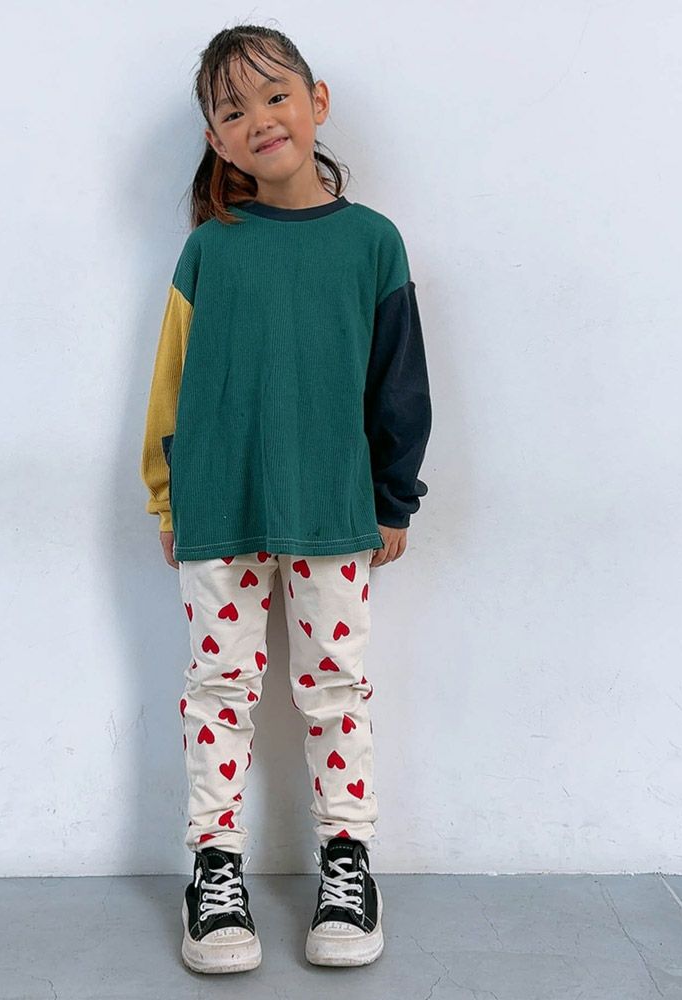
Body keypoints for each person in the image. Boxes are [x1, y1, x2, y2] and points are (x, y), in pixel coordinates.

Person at [140, 24, 432, 975]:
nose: (260, 119)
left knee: (335, 688)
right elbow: (170, 385)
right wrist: (167, 499)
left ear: (317, 102)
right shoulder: (207, 252)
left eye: (276, 95)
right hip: (219, 509)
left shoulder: (373, 243)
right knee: (218, 690)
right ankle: (214, 869)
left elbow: (399, 383)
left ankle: (347, 862)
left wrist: (393, 499)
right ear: (216, 142)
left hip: (334, 511)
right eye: (234, 111)